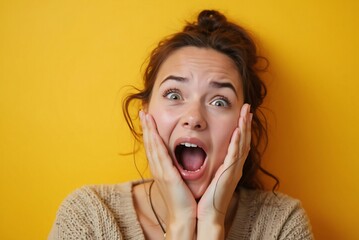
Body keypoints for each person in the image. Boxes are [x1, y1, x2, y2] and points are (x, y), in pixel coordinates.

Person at [48, 10, 313, 240]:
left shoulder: (281, 225)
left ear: (244, 126)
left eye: (219, 101)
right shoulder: (87, 217)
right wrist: (181, 223)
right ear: (145, 114)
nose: (194, 117)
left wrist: (212, 223)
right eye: (174, 95)